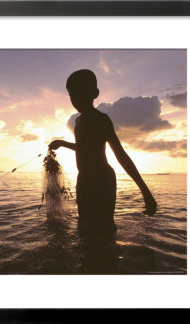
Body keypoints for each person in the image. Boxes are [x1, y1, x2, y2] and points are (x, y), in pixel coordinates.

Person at [49, 69, 157, 244]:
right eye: (73, 95)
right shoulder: (78, 122)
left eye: (82, 93)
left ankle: (107, 263)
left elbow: (120, 154)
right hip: (83, 180)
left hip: (102, 180)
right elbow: (84, 148)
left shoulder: (101, 119)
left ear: (95, 94)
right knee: (85, 227)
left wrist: (145, 192)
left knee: (104, 227)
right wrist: (62, 143)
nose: (77, 100)